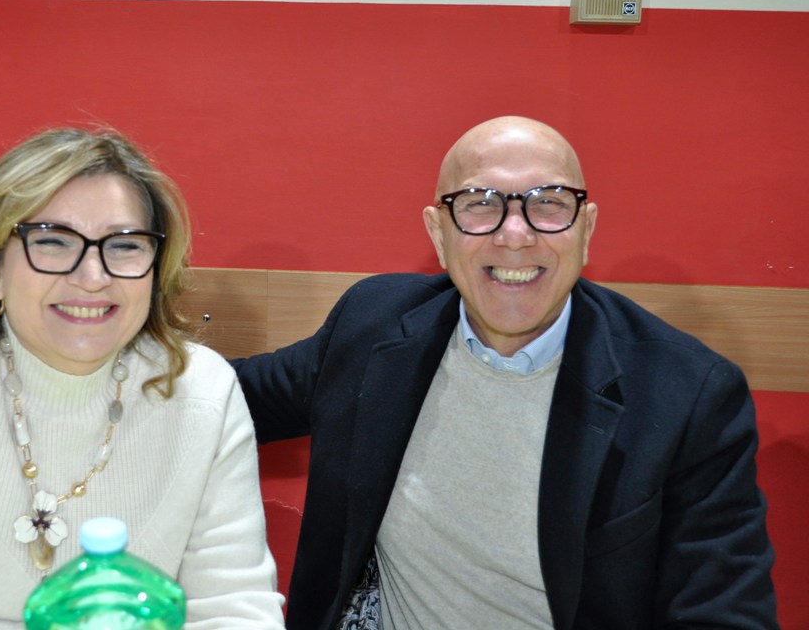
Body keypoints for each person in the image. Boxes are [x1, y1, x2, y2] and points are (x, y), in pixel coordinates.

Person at [232, 116, 777, 629]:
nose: (515, 234)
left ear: (586, 228)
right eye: (479, 204)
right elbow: (224, 396)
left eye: (549, 202)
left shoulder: (689, 396)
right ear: (437, 232)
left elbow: (723, 612)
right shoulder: (373, 326)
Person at [0, 128, 286, 628]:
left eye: (124, 246)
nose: (93, 276)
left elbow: (239, 614)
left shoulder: (203, 391)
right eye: (53, 241)